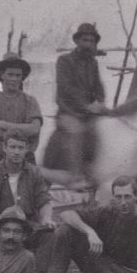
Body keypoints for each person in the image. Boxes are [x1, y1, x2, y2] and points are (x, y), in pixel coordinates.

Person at [0, 131, 55, 273]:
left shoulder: (34, 172)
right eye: (12, 147)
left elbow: (44, 200)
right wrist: (7, 228)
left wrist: (46, 218)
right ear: (4, 148)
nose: (16, 152)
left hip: (27, 227)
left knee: (48, 235)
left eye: (21, 148)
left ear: (27, 149)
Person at [48, 22, 108, 182]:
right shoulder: (64, 61)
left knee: (105, 130)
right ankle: (76, 176)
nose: (89, 44)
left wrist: (101, 103)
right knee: (77, 131)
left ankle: (96, 172)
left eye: (92, 41)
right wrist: (86, 106)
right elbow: (66, 88)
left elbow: (98, 86)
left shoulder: (93, 63)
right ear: (77, 41)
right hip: (68, 112)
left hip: (88, 114)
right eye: (85, 40)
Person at [0, 52, 43, 165]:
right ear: (2, 75)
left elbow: (34, 129)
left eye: (18, 75)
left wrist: (3, 125)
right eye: (10, 74)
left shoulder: (30, 101)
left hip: (26, 160)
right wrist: (22, 134)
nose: (14, 79)